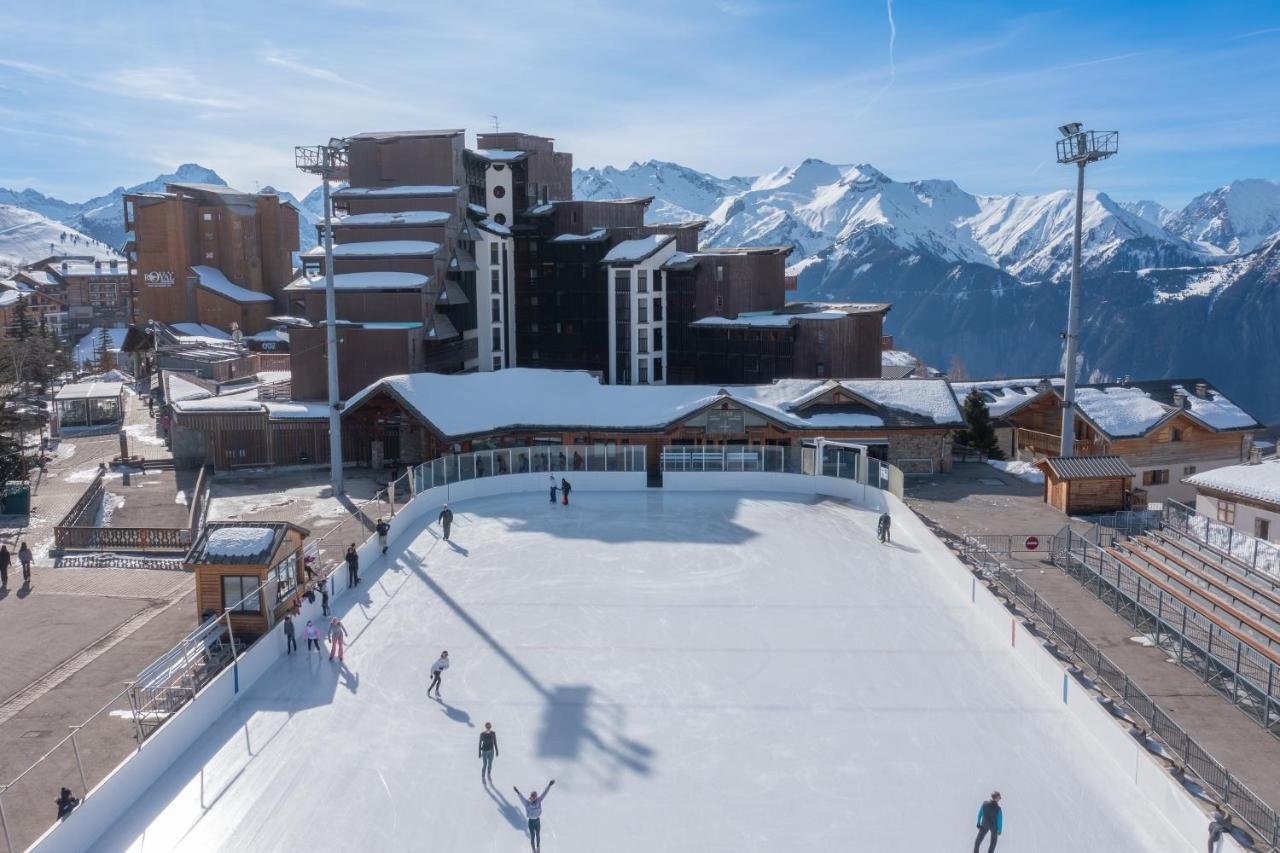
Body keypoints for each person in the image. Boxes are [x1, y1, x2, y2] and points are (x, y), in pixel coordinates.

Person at [513, 780, 555, 853]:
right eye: (533, 796)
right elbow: (521, 798)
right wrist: (518, 792)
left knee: (538, 835)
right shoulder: (527, 804)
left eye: (535, 796)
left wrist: (549, 785)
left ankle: (538, 848)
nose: (534, 797)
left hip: (537, 821)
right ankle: (533, 850)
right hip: (531, 822)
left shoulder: (539, 801)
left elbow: (544, 793)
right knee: (533, 836)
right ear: (531, 797)